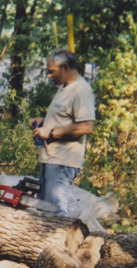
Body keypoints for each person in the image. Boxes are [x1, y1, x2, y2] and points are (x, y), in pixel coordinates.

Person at [30, 48, 95, 217]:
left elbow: (86, 126)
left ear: (65, 67)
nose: (49, 76)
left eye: (51, 72)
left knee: (55, 214)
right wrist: (45, 121)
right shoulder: (65, 87)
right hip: (52, 159)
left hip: (62, 162)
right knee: (43, 211)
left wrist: (50, 133)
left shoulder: (81, 90)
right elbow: (67, 117)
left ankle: (60, 243)